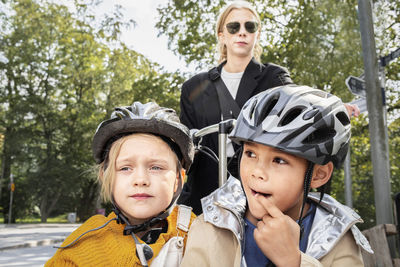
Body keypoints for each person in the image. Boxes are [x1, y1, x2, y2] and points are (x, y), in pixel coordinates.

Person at [181, 85, 373, 266]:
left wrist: (293, 261)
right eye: (250, 154)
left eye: (279, 160)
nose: (257, 172)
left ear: (319, 175)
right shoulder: (210, 227)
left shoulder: (338, 238)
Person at [46, 102, 196, 267]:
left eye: (156, 167)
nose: (140, 180)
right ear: (106, 177)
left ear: (178, 178)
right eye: (125, 168)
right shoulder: (83, 245)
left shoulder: (200, 235)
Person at [178, 0, 293, 215]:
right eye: (234, 27)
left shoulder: (274, 78)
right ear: (222, 35)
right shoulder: (193, 87)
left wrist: (322, 105)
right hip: (204, 195)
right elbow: (186, 147)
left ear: (257, 34)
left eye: (250, 27)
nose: (242, 33)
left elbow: (297, 108)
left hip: (257, 191)